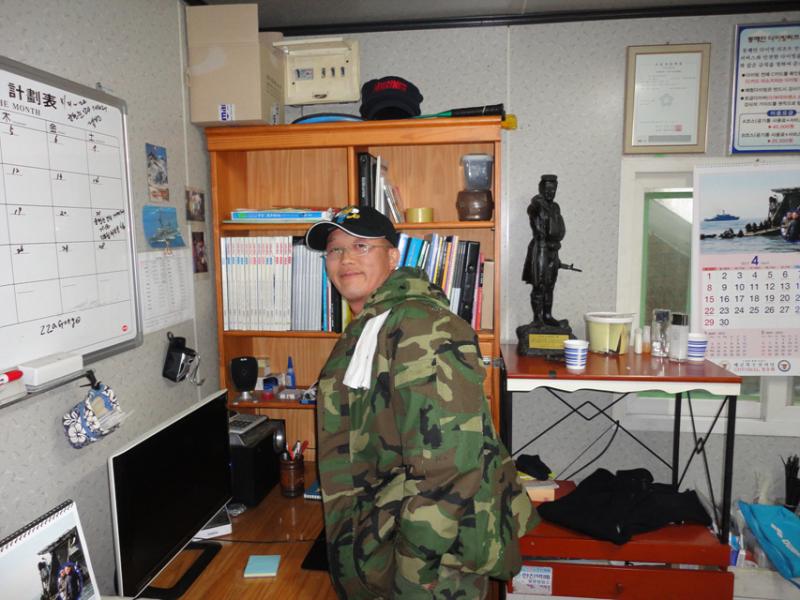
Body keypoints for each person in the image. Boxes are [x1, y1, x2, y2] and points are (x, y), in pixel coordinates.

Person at [305, 206, 537, 600]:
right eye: (335, 250)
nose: (345, 259)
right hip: (383, 541)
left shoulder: (421, 326)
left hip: (430, 562)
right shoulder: (372, 324)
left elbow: (448, 466)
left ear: (393, 256)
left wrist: (415, 573)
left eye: (361, 246)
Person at [522, 174, 565, 326]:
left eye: (553, 190)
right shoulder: (537, 205)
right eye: (547, 189)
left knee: (550, 286)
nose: (550, 193)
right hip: (541, 249)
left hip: (553, 250)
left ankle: (547, 315)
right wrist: (537, 203)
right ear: (541, 189)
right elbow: (532, 211)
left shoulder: (555, 207)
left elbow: (558, 228)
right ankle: (537, 319)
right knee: (539, 285)